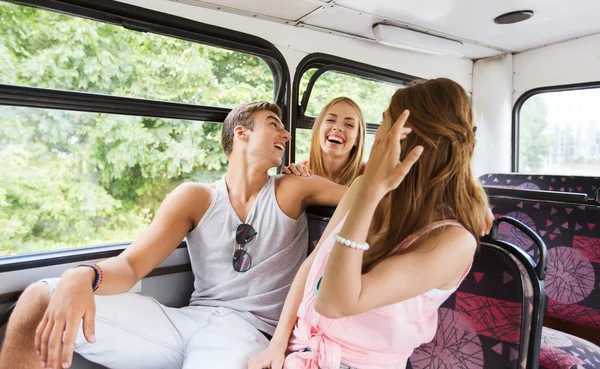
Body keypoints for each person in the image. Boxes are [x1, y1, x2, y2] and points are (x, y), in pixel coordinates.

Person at [0, 102, 348, 369]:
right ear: (241, 133)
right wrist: (82, 275)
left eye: (286, 130)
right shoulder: (195, 197)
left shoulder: (293, 188)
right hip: (186, 321)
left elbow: (363, 198)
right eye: (275, 126)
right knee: (41, 296)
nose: (286, 135)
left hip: (248, 333)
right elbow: (132, 266)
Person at [248, 78, 493, 369]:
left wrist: (371, 193)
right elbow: (312, 266)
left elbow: (334, 303)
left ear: (408, 139)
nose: (377, 139)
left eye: (384, 126)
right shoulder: (360, 187)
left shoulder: (452, 241)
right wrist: (277, 345)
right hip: (298, 347)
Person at [283, 97, 366, 185]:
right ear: (318, 128)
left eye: (349, 125)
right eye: (330, 120)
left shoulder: (369, 175)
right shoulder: (300, 172)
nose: (337, 127)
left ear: (357, 139)